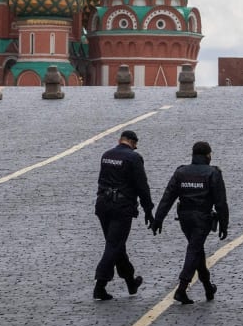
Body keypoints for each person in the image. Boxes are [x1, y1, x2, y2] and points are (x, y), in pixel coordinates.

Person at [151, 141, 229, 305]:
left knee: (196, 249)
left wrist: (158, 218)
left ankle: (208, 286)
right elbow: (220, 202)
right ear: (208, 155)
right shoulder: (213, 173)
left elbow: (168, 197)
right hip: (202, 218)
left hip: (184, 218)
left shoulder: (181, 172)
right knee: (194, 249)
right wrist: (224, 223)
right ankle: (181, 288)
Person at [94, 129, 155, 301]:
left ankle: (130, 282)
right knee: (114, 245)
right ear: (133, 143)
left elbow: (102, 180)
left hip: (103, 205)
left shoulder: (106, 155)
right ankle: (100, 285)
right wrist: (148, 210)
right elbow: (142, 186)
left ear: (120, 140)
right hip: (121, 207)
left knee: (116, 244)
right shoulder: (134, 158)